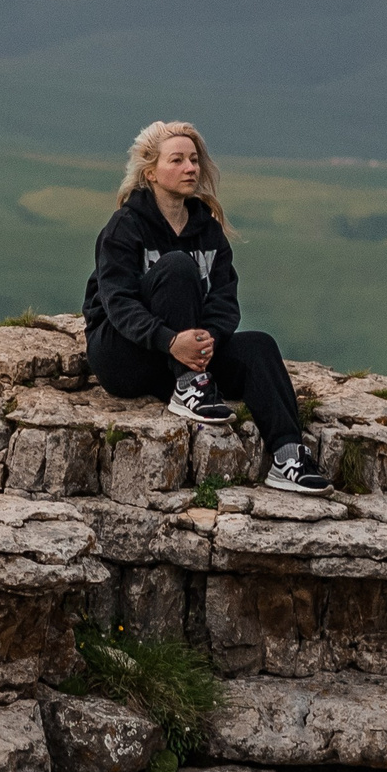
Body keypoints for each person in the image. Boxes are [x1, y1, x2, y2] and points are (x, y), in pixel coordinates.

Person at [82, 120, 330, 494]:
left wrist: (204, 342)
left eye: (194, 160)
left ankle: (287, 457)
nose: (190, 168)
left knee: (260, 346)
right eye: (177, 160)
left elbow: (224, 301)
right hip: (125, 356)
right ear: (151, 173)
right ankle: (188, 387)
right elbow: (117, 304)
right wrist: (170, 342)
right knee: (178, 267)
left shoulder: (208, 230)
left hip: (186, 358)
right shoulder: (125, 227)